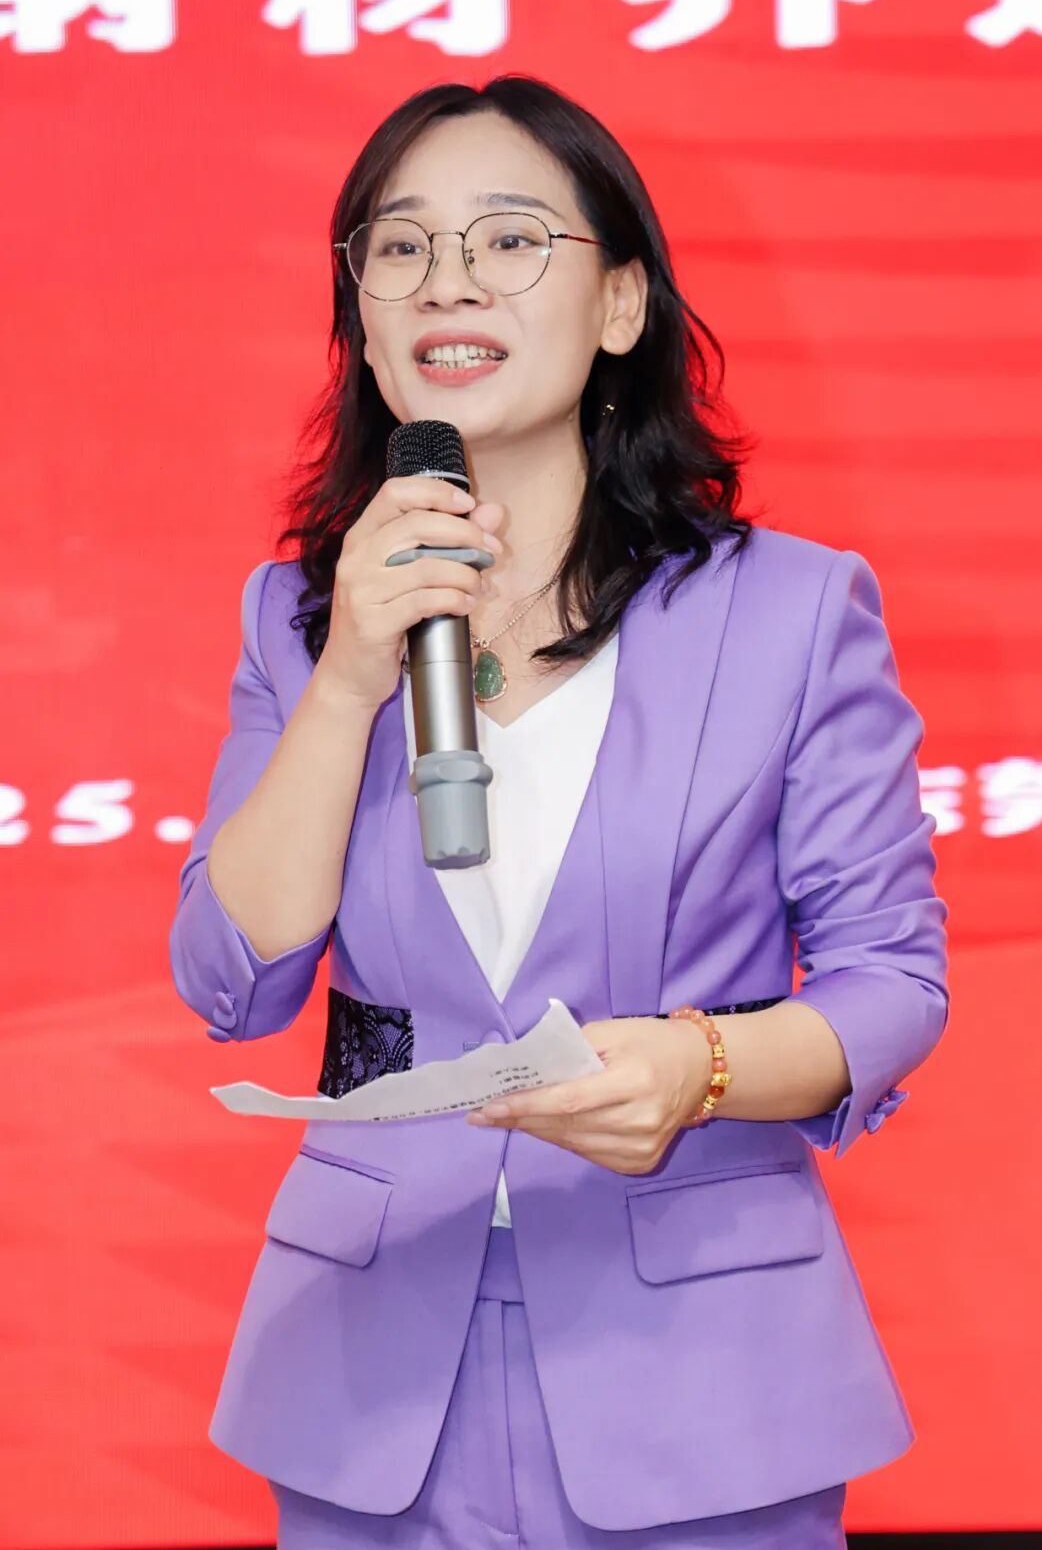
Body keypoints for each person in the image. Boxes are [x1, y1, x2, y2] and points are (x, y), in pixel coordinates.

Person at [169, 74, 949, 1549]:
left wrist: (702, 1067)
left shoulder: (791, 611)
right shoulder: (299, 621)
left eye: (511, 238)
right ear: (363, 319)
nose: (447, 280)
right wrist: (346, 680)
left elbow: (892, 982)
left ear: (622, 304)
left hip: (707, 1374)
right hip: (369, 1379)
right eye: (401, 246)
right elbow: (230, 983)